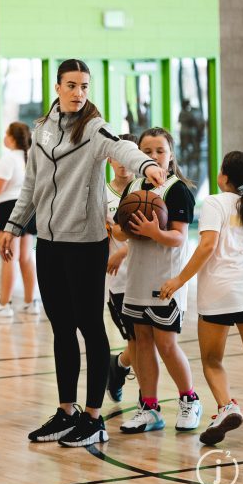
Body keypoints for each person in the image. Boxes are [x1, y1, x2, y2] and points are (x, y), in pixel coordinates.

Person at [0, 59, 165, 448]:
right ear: (57, 87)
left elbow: (122, 147)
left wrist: (146, 165)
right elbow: (31, 187)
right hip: (49, 243)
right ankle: (66, 411)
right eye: (71, 85)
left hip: (87, 244)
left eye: (84, 86)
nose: (78, 92)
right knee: (61, 328)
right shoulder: (41, 131)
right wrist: (12, 226)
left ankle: (94, 418)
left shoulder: (94, 128)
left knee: (90, 327)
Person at [113, 127, 202, 434]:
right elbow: (119, 231)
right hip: (136, 281)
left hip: (166, 282)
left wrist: (155, 233)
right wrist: (125, 230)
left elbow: (179, 237)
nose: (153, 156)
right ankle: (149, 408)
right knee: (140, 344)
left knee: (166, 344)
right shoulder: (133, 187)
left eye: (159, 151)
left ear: (170, 155)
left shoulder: (177, 190)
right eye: (146, 151)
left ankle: (189, 398)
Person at [160, 150, 243, 445]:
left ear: (224, 177)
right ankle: (226, 410)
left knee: (211, 360)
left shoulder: (214, 202)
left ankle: (227, 407)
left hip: (220, 292)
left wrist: (179, 279)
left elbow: (207, 245)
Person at [0, 122, 39, 317]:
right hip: (28, 209)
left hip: (8, 209)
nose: (4, 136)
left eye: (6, 133)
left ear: (12, 138)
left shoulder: (8, 158)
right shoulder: (30, 157)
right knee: (25, 257)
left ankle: (3, 305)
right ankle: (30, 303)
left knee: (8, 257)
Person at [105, 134, 138, 403]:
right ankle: (146, 400)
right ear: (109, 158)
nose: (123, 163)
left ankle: (119, 365)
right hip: (118, 281)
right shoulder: (102, 193)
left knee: (145, 343)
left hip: (151, 277)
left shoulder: (148, 191)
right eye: (118, 156)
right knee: (139, 342)